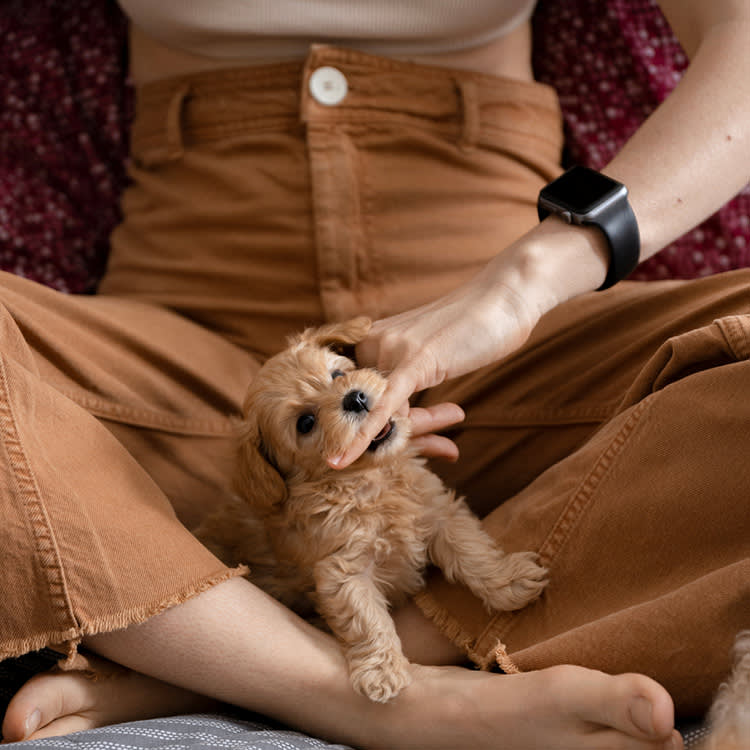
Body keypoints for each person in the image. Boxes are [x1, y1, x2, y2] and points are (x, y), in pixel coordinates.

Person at [1, 0, 749, 747]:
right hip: (175, 382)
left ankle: (234, 655)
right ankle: (328, 685)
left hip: (511, 347)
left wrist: (532, 274)